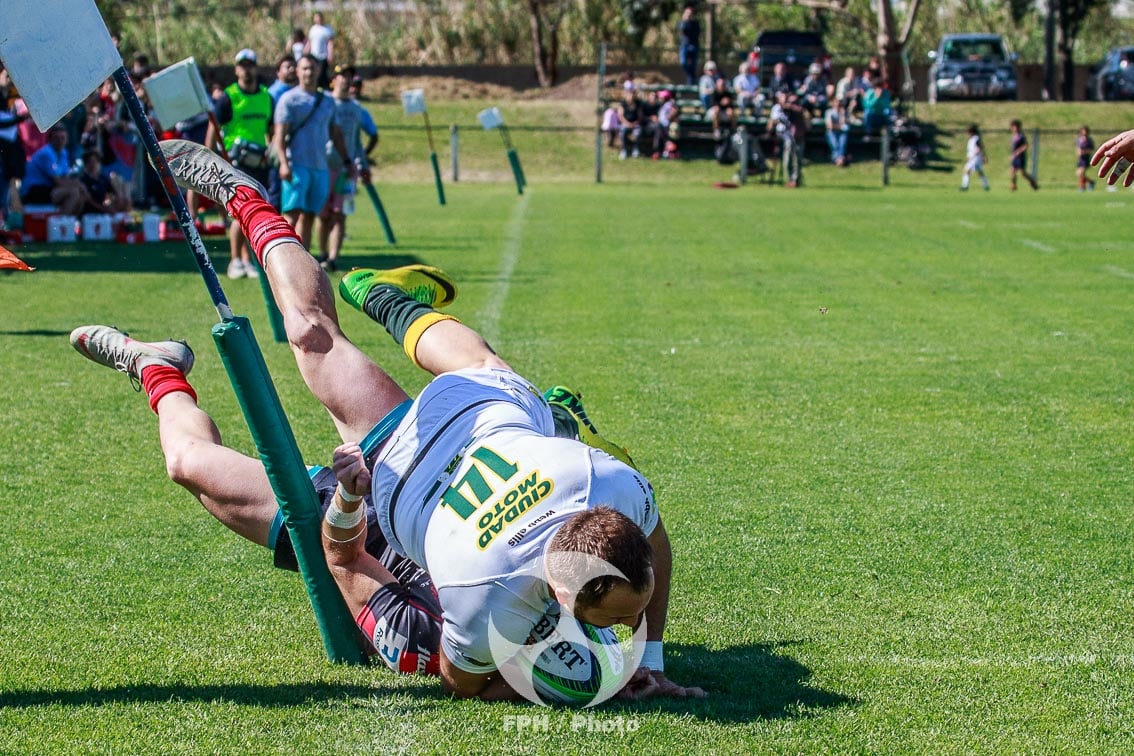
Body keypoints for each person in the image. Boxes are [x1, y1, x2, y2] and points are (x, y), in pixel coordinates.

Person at [154, 138, 704, 702]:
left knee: (313, 343)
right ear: (561, 597)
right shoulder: (485, 589)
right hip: (460, 424)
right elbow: (463, 683)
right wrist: (590, 687)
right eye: (619, 622)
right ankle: (251, 203)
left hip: (412, 464)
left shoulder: (612, 488)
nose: (626, 629)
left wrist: (650, 658)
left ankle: (168, 366)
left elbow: (655, 540)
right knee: (370, 347)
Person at [271, 54, 353, 249]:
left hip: (320, 167)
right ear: (298, 72)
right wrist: (284, 163)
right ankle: (281, 255)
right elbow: (280, 136)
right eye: (305, 68)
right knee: (291, 216)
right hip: (296, 166)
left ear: (318, 70)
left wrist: (347, 160)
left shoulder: (327, 101)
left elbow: (336, 134)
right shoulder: (289, 99)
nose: (309, 72)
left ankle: (302, 257)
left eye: (312, 68)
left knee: (309, 216)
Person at [208, 48, 275, 280]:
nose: (246, 70)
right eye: (242, 66)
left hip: (259, 162)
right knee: (240, 214)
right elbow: (214, 128)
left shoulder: (266, 96)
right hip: (235, 163)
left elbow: (271, 129)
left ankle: (248, 260)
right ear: (236, 70)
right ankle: (235, 260)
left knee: (255, 213)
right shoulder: (229, 97)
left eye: (250, 65)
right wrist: (210, 158)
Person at [317, 65, 368, 272]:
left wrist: (362, 164)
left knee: (340, 214)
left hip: (346, 169)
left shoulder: (356, 107)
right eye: (341, 76)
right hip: (324, 165)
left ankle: (333, 258)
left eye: (349, 77)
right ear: (333, 81)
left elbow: (357, 139)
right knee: (323, 214)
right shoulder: (325, 102)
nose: (346, 80)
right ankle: (321, 254)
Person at [20, 124, 89, 215]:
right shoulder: (46, 153)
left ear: (67, 139)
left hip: (47, 189)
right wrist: (79, 185)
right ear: (50, 139)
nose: (60, 141)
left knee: (80, 193)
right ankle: (62, 221)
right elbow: (58, 182)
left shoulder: (63, 153)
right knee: (74, 192)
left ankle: (71, 220)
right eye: (56, 138)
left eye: (62, 138)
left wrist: (79, 185)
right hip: (33, 191)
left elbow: (65, 177)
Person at [77, 149, 129, 214]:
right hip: (91, 210)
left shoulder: (103, 178)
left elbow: (113, 192)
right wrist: (103, 209)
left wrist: (117, 199)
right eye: (90, 162)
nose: (93, 164)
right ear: (85, 164)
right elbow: (88, 199)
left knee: (126, 201)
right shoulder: (83, 180)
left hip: (105, 206)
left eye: (95, 162)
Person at [305, 11, 335, 89]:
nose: (318, 19)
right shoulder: (313, 29)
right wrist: (305, 53)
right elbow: (309, 42)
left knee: (322, 73)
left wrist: (330, 55)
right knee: (315, 73)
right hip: (313, 56)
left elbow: (330, 43)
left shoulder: (327, 29)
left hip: (323, 56)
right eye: (316, 17)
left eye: (319, 17)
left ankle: (324, 89)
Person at [1008, 120, 1038, 191]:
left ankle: (1033, 182)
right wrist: (1012, 155)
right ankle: (1013, 186)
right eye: (1013, 127)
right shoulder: (1014, 136)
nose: (1014, 129)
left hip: (1020, 157)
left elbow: (1025, 146)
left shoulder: (1021, 136)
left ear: (1019, 127)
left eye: (1016, 127)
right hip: (1015, 157)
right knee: (1012, 170)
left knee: (1023, 173)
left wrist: (1018, 152)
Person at [960, 123, 990, 192]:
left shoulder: (976, 139)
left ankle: (965, 186)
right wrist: (968, 156)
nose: (967, 133)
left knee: (966, 170)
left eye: (968, 132)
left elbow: (980, 147)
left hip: (975, 158)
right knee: (979, 172)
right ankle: (986, 185)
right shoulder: (971, 139)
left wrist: (975, 155)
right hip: (973, 158)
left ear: (972, 132)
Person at [677, 5, 701, 86]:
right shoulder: (682, 23)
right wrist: (685, 21)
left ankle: (691, 81)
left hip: (694, 45)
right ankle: (691, 77)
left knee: (693, 66)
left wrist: (691, 22)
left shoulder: (696, 23)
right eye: (687, 13)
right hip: (684, 45)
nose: (689, 15)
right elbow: (682, 30)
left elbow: (696, 34)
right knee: (683, 62)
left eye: (690, 13)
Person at [617, 88, 643, 159]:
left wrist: (636, 123)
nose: (631, 96)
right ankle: (623, 150)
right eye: (629, 94)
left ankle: (636, 150)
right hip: (625, 124)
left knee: (638, 132)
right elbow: (620, 116)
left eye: (632, 94)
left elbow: (640, 116)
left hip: (635, 124)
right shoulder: (623, 103)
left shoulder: (638, 103)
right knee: (623, 131)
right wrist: (627, 123)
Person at [824, 93, 848, 167]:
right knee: (835, 145)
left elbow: (844, 125)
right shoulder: (829, 112)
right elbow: (829, 126)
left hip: (841, 132)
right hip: (831, 132)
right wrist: (840, 126)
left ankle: (837, 159)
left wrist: (842, 115)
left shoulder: (843, 112)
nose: (838, 104)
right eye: (836, 102)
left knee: (842, 144)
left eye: (839, 102)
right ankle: (840, 159)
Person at [1076, 126, 1096, 192]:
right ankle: (1090, 182)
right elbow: (1078, 147)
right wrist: (1078, 153)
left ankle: (1082, 187)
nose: (1084, 132)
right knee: (1079, 174)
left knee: (1081, 173)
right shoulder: (1079, 139)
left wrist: (1084, 152)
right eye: (1083, 131)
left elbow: (1091, 149)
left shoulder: (1089, 140)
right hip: (1080, 159)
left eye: (1085, 131)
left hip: (1085, 159)